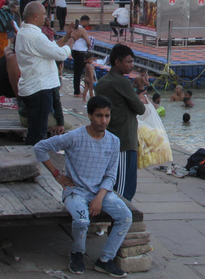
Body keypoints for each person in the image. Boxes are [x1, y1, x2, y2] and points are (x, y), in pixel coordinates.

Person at [34, 95, 131, 277]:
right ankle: (77, 253)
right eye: (99, 116)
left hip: (101, 191)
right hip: (75, 191)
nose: (103, 121)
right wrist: (57, 175)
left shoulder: (114, 141)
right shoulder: (74, 137)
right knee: (81, 220)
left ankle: (106, 260)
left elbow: (111, 175)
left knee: (125, 216)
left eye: (107, 116)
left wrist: (99, 197)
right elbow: (40, 147)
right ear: (89, 115)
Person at [15, 2, 74, 146]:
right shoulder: (35, 36)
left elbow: (51, 48)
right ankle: (33, 155)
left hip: (33, 87)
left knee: (35, 129)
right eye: (43, 14)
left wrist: (66, 38)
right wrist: (72, 41)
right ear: (35, 16)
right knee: (38, 132)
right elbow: (60, 54)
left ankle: (32, 153)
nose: (45, 17)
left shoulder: (24, 32)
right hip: (39, 88)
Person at [94, 44, 146, 201]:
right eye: (128, 62)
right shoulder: (121, 82)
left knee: (111, 182)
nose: (132, 65)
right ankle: (120, 215)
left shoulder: (103, 82)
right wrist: (140, 96)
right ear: (117, 62)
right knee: (123, 191)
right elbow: (140, 109)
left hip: (108, 137)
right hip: (124, 141)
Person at [71, 15, 93, 96]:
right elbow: (88, 42)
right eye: (87, 23)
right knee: (78, 72)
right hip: (80, 52)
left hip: (74, 50)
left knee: (76, 72)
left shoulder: (75, 28)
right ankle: (77, 91)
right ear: (84, 21)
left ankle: (77, 90)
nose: (87, 24)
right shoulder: (82, 30)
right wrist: (89, 46)